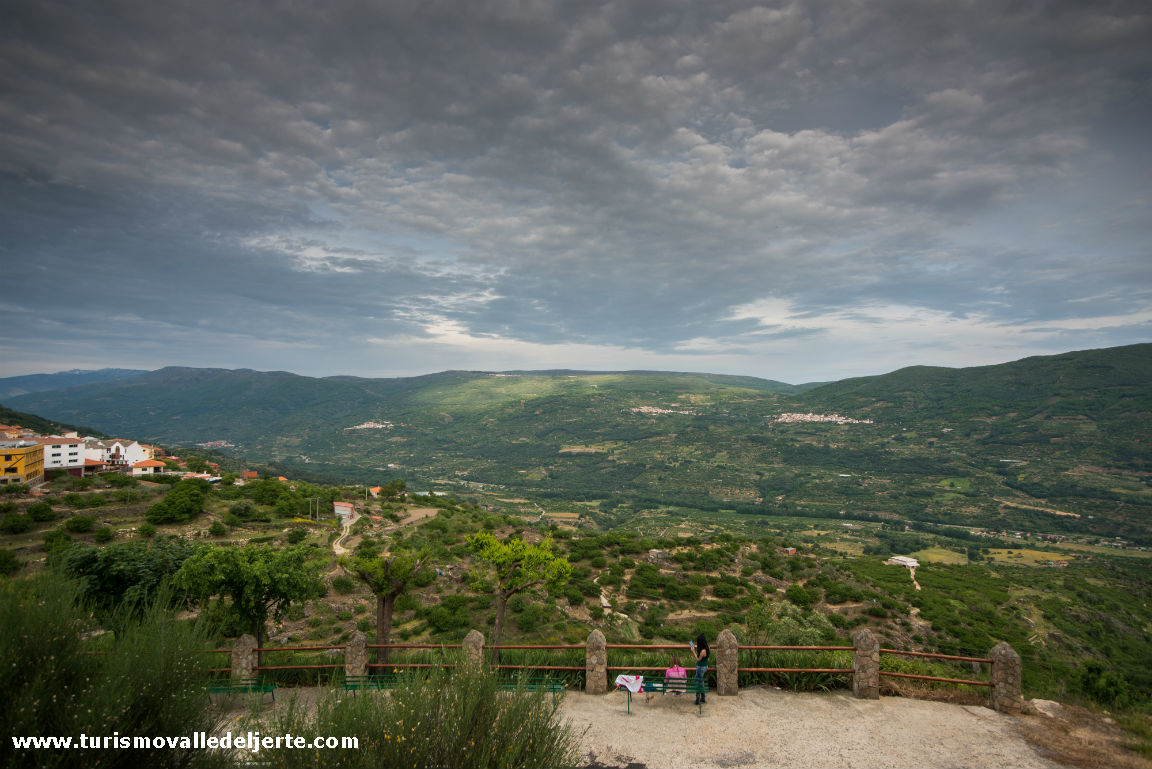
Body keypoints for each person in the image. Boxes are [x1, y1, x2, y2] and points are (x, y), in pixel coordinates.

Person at [689, 633, 710, 705]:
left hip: (700, 668)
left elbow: (698, 659)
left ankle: (698, 698)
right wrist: (694, 646)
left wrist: (693, 651)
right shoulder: (707, 648)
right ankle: (703, 698)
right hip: (705, 666)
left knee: (698, 682)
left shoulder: (702, 651)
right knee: (700, 682)